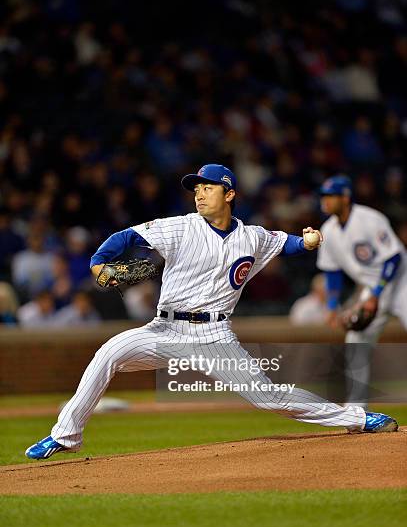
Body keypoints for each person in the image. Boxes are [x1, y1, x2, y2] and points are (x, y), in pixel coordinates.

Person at [25, 164, 398, 460]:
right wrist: (97, 264)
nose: (199, 193)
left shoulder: (253, 236)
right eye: (196, 188)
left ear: (229, 193)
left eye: (208, 187)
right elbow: (125, 238)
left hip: (215, 337)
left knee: (270, 398)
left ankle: (358, 418)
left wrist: (311, 241)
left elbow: (290, 244)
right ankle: (66, 435)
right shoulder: (181, 228)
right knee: (109, 352)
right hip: (164, 331)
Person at [317, 175, 407, 408]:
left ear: (345, 198)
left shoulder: (369, 219)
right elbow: (332, 272)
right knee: (356, 341)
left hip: (401, 283)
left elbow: (394, 257)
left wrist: (377, 293)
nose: (325, 201)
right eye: (323, 196)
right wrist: (331, 305)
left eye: (331, 196)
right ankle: (356, 409)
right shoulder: (327, 230)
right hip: (371, 289)